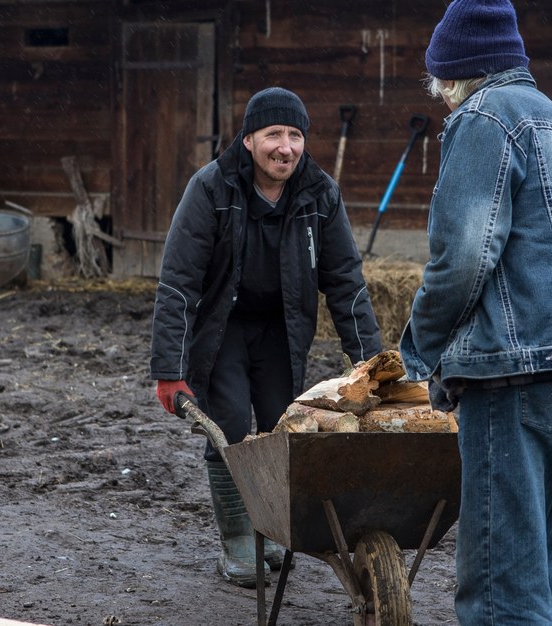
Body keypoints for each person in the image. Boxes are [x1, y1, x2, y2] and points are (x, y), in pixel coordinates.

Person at [398, 0, 552, 625]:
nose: (439, 100)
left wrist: (420, 349)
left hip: (512, 373)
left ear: (456, 74)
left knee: (501, 591)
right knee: (543, 584)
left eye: (438, 84)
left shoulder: (482, 120)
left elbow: (465, 254)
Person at [149, 87, 383, 588]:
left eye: (295, 135)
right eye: (274, 134)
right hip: (224, 328)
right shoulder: (211, 189)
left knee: (284, 427)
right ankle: (237, 538)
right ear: (250, 139)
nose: (286, 147)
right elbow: (178, 281)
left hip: (282, 327)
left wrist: (372, 364)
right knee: (230, 423)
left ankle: (271, 529)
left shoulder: (319, 193)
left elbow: (345, 280)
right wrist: (168, 370)